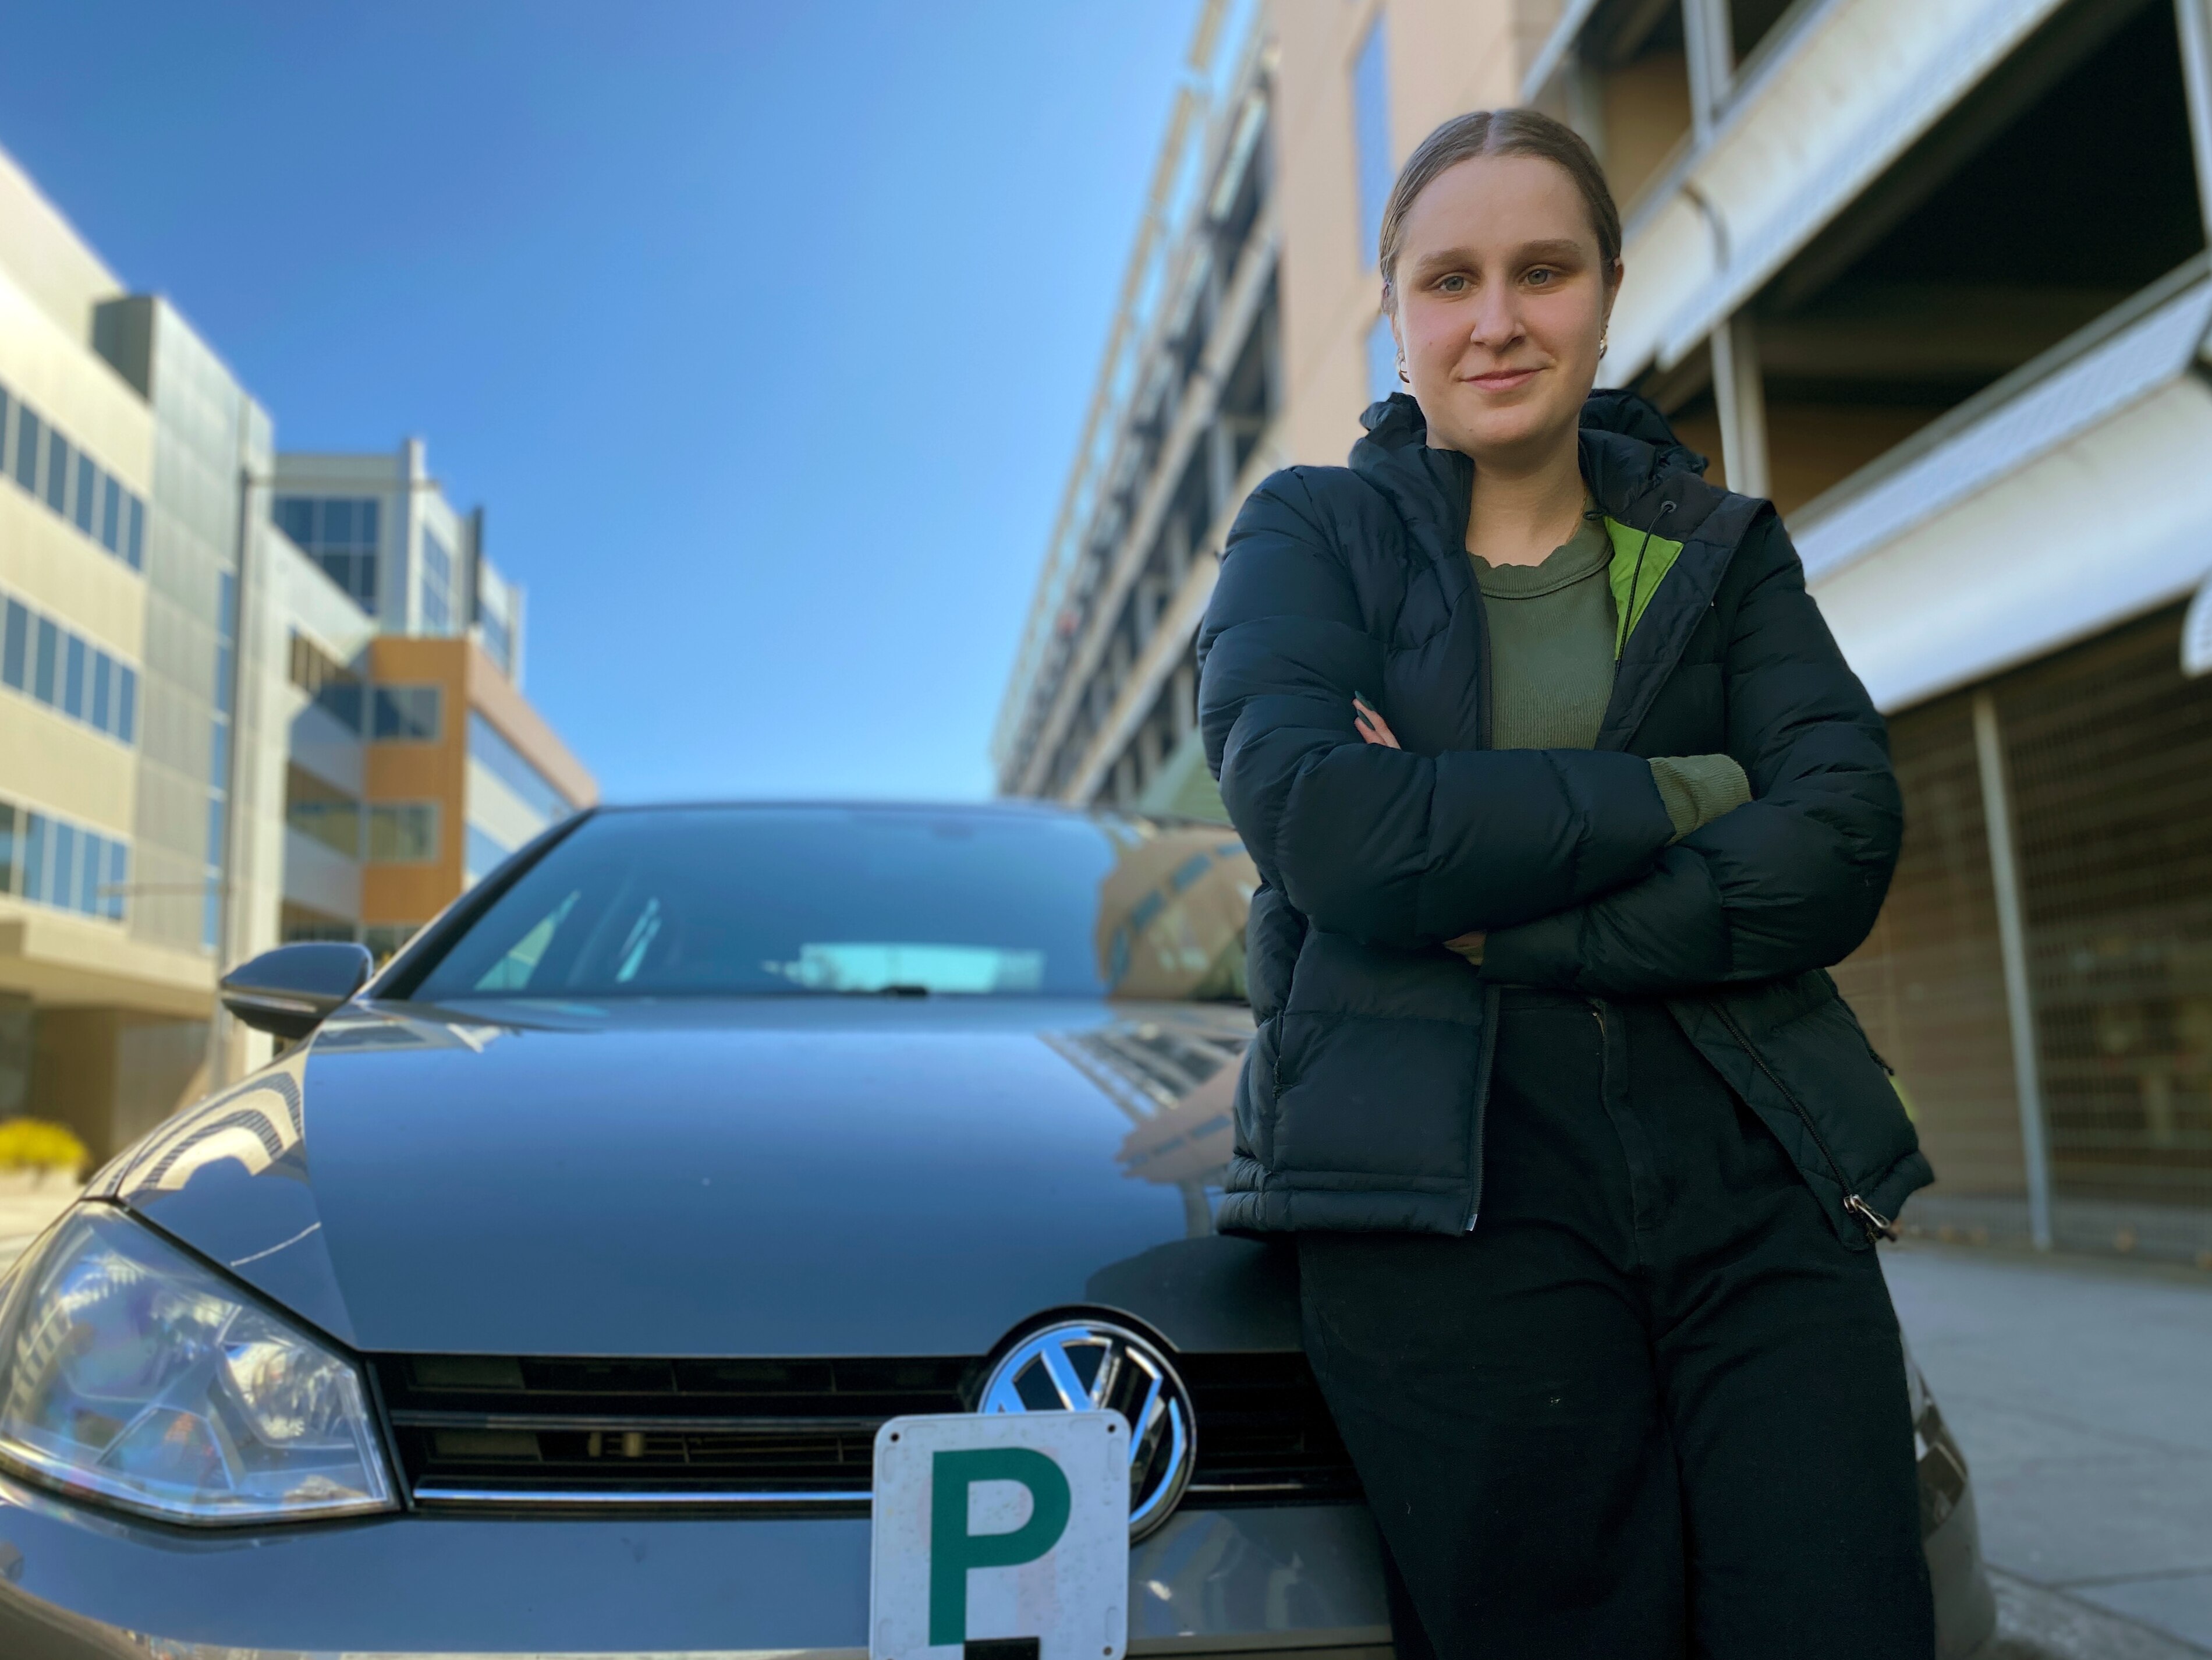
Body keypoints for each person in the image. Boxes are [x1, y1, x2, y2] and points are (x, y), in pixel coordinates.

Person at [1194, 108, 1936, 1659]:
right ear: (1396, 314)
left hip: (1759, 1188)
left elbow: (1843, 831)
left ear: (1605, 290)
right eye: (1449, 279)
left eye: (1543, 270)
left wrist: (1487, 908)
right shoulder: (1307, 532)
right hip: (1446, 1208)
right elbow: (1333, 830)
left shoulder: (1724, 550)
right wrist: (1686, 791)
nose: (1497, 318)